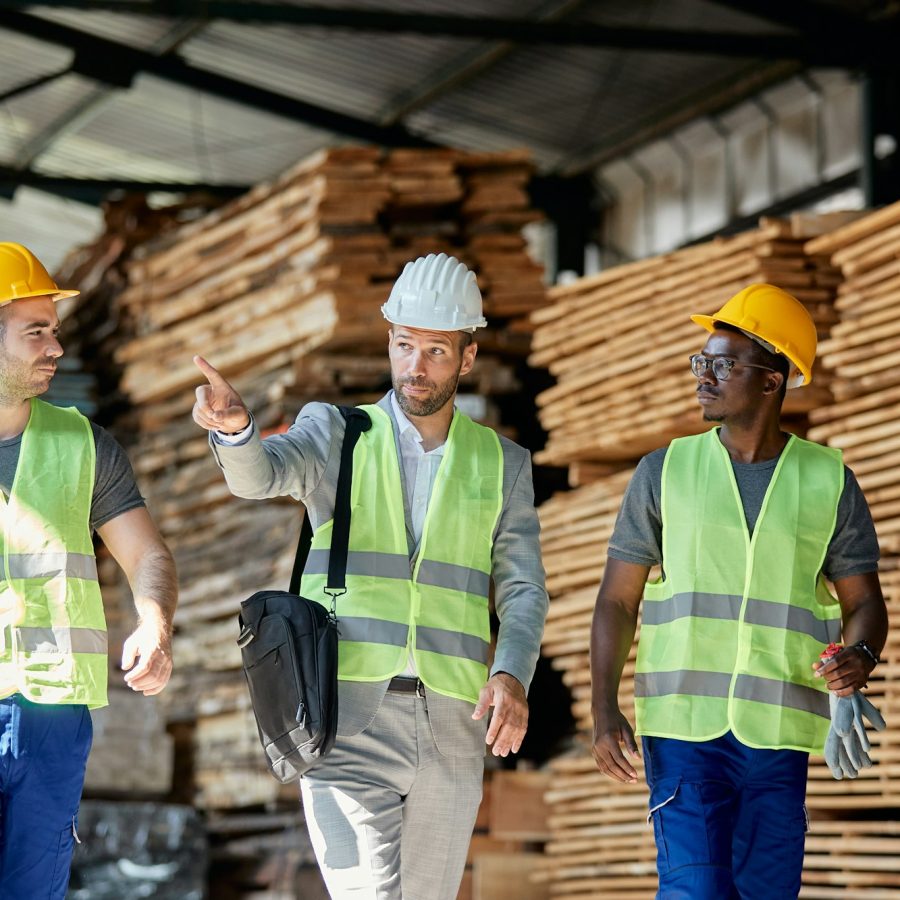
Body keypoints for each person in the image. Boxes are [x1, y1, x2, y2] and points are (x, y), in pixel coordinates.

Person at [193, 252, 549, 899]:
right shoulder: (337, 433)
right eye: (405, 345)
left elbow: (523, 589)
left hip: (452, 722)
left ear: (468, 357)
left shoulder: (503, 462)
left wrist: (512, 673)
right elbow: (262, 476)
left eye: (436, 351)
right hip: (346, 717)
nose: (416, 366)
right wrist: (238, 432)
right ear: (389, 341)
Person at [589, 283, 888, 899]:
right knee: (696, 891)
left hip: (778, 734)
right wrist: (602, 707)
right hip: (684, 731)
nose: (703, 376)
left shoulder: (828, 480)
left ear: (772, 381)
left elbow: (864, 601)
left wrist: (861, 656)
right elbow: (617, 599)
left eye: (722, 365)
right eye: (700, 361)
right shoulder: (665, 472)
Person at [0, 242, 177, 899]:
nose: (55, 347)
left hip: (51, 720)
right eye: (35, 332)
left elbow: (148, 555)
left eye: (55, 330)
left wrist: (154, 625)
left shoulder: (85, 446)